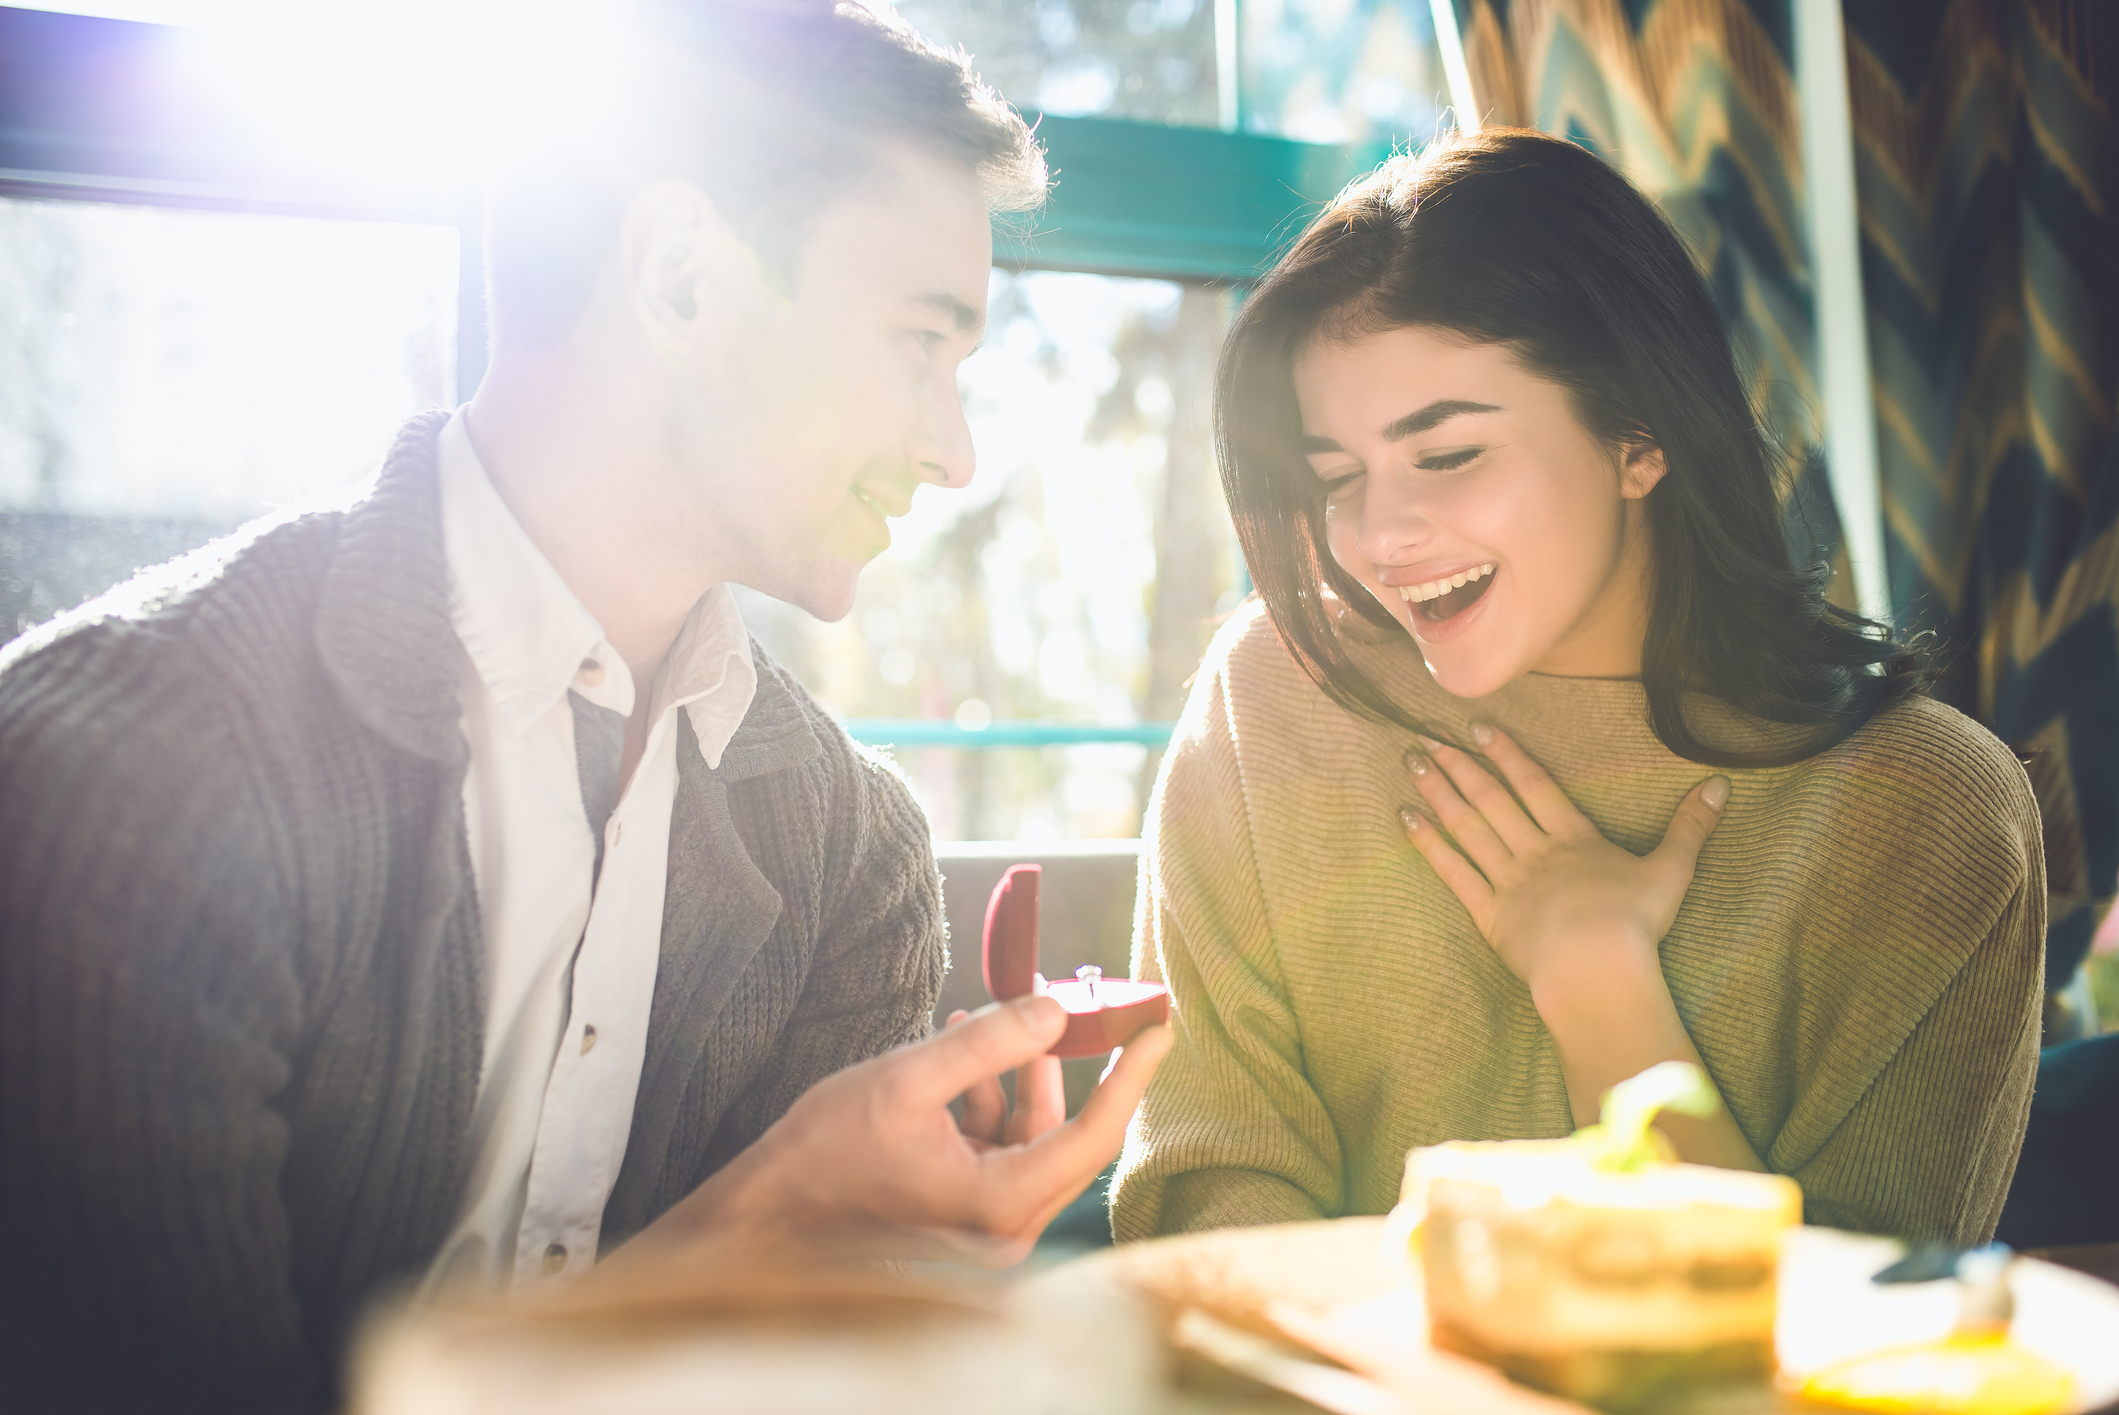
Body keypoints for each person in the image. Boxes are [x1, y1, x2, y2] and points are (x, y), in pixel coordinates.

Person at [0, 5, 1168, 1412]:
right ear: (680, 276)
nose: (954, 446)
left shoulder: (852, 853)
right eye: (921, 340)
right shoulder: (121, 778)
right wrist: (760, 1219)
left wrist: (884, 1286)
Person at [1110, 128, 2043, 1247]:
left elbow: (1868, 1328)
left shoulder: (1928, 807)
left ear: (1636, 436)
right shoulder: (1271, 701)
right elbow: (1202, 1197)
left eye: (1447, 454)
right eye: (1336, 479)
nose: (1379, 535)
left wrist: (1600, 989)